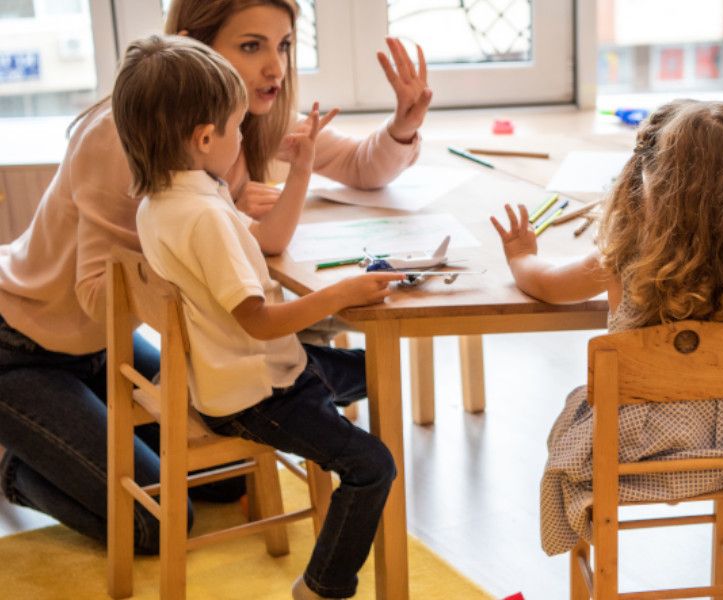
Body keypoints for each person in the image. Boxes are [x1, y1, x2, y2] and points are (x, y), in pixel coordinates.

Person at [0, 0, 429, 553]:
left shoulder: (229, 115)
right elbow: (95, 300)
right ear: (191, 46)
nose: (274, 68)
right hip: (23, 343)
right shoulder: (127, 136)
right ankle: (16, 463)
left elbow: (358, 167)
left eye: (283, 45)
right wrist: (199, 241)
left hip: (102, 350)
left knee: (230, 477)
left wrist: (402, 126)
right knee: (155, 523)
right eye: (251, 46)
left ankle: (65, 435)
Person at [114, 34, 407, 599]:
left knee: (381, 374)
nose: (244, 136)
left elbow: (269, 238)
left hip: (251, 374)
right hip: (257, 396)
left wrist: (299, 171)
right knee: (372, 466)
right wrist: (341, 294)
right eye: (237, 127)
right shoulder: (203, 216)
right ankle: (322, 586)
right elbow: (261, 321)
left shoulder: (168, 200)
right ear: (205, 138)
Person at [490, 100, 723, 555]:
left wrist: (520, 254)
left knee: (568, 426)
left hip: (629, 458)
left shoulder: (625, 260)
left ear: (652, 182)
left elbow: (546, 285)